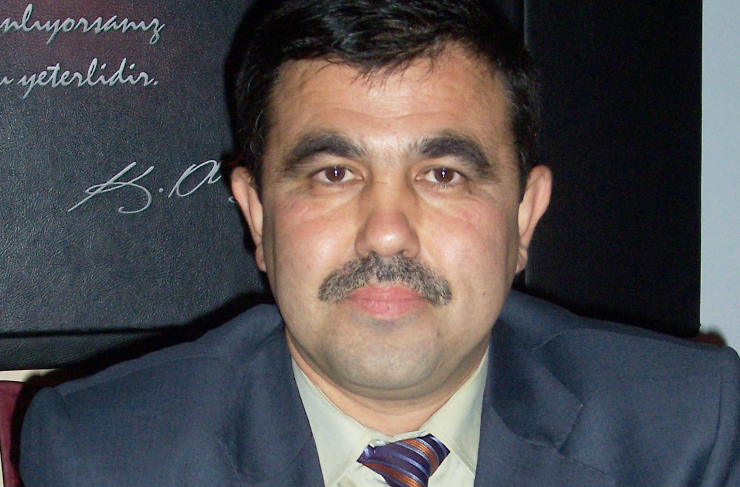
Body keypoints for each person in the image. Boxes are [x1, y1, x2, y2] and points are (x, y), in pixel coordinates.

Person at [20, 0, 740, 485]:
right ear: (258, 217)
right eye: (334, 173)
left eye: (443, 174)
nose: (387, 230)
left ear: (523, 217)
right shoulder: (107, 453)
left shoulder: (684, 431)